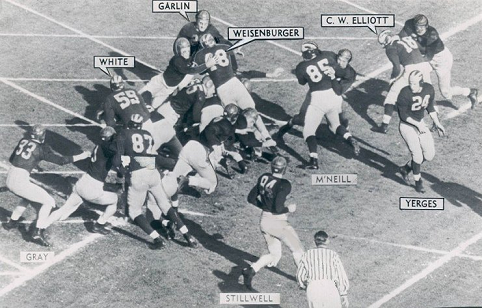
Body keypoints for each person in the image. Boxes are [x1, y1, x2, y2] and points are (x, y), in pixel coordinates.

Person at [3, 125, 91, 246]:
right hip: (20, 181)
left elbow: (12, 159)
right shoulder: (41, 148)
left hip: (10, 177)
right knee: (49, 202)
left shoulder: (23, 141)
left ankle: (12, 222)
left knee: (27, 197)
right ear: (43, 135)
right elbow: (61, 161)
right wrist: (82, 156)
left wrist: (29, 164)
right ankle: (37, 232)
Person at [277, 42, 359, 170]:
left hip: (318, 98)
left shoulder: (301, 66)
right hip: (333, 95)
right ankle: (349, 138)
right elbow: (340, 68)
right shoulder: (328, 55)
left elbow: (302, 82)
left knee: (309, 130)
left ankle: (313, 160)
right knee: (335, 126)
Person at [193, 33, 274, 144]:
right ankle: (266, 137)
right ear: (214, 40)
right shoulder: (224, 47)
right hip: (234, 83)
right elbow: (233, 50)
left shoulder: (200, 54)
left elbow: (197, 70)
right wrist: (236, 50)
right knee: (252, 110)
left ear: (203, 44)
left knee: (231, 117)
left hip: (222, 89)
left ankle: (230, 141)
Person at [242, 156, 304, 290]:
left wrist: (265, 207)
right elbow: (278, 208)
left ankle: (251, 270)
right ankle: (304, 280)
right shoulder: (284, 184)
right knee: (297, 249)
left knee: (275, 255)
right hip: (277, 222)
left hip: (264, 220)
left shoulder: (264, 177)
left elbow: (251, 198)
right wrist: (289, 209)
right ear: (284, 169)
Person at [44, 127, 119, 235]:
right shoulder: (107, 148)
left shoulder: (99, 146)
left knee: (64, 210)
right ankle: (99, 224)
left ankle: (41, 226)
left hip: (82, 182)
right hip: (93, 187)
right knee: (114, 200)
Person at [399, 14, 478, 109]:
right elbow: (402, 34)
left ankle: (470, 92)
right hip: (428, 58)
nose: (419, 29)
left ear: (426, 26)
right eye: (417, 26)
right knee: (415, 74)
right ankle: (427, 102)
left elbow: (426, 56)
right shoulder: (409, 24)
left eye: (421, 27)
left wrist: (412, 43)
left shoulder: (432, 36)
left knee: (446, 93)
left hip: (440, 60)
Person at [114, 114, 167, 249]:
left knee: (134, 209)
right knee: (160, 201)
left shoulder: (124, 133)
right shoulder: (147, 134)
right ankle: (170, 224)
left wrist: (121, 170)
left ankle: (156, 238)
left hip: (136, 169)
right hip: (151, 167)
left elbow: (117, 159)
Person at [374, 29, 433, 133]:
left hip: (411, 69)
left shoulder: (390, 48)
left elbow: (396, 67)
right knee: (428, 93)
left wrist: (392, 80)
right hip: (425, 66)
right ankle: (435, 122)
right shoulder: (405, 37)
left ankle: (384, 125)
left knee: (390, 97)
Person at [397, 70, 445, 193]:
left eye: (414, 83)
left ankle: (406, 168)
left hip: (420, 123)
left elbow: (429, 106)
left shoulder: (428, 89)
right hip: (407, 125)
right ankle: (418, 182)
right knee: (417, 155)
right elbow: (403, 115)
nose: (411, 85)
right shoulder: (404, 93)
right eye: (410, 83)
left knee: (429, 155)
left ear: (421, 83)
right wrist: (418, 125)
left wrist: (437, 122)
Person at [139, 37, 217, 109]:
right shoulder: (177, 60)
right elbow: (192, 71)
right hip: (159, 82)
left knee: (152, 108)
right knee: (140, 97)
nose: (186, 53)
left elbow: (194, 54)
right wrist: (207, 64)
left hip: (169, 89)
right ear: (178, 51)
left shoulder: (185, 57)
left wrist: (202, 46)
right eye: (184, 51)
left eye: (188, 51)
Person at [296, 231, 350, 308]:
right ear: (327, 241)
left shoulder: (307, 254)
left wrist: (305, 285)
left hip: (313, 288)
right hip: (329, 287)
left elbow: (300, 275)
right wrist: (343, 293)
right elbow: (340, 275)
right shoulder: (333, 254)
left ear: (314, 241)